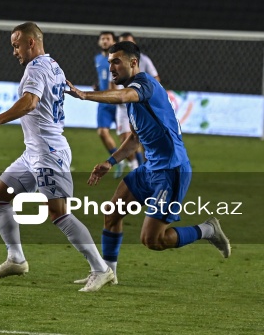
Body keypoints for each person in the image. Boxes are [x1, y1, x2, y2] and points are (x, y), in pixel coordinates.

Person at [65, 41, 231, 285]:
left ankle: (208, 229)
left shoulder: (144, 85)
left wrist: (84, 94)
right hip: (150, 168)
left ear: (133, 63)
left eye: (116, 62)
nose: (111, 67)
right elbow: (134, 139)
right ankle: (107, 273)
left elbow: (122, 95)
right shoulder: (134, 98)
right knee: (112, 213)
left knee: (153, 241)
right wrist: (110, 162)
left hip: (171, 170)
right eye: (109, 62)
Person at [0, 22, 114, 292]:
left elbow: (31, 102)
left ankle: (101, 269)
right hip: (33, 153)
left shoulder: (36, 68)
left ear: (31, 43)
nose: (14, 51)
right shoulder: (53, 65)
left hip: (49, 153)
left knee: (58, 214)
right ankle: (16, 259)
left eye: (16, 45)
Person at [117, 32, 161, 167]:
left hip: (140, 106)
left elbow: (156, 78)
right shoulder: (115, 61)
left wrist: (145, 90)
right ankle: (135, 166)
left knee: (143, 139)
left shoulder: (144, 60)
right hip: (123, 107)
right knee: (125, 138)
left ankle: (146, 167)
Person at [94, 32, 126, 178]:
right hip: (103, 101)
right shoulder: (98, 59)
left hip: (118, 102)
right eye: (103, 39)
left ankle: (136, 164)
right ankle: (118, 162)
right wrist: (97, 87)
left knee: (126, 138)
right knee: (102, 132)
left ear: (114, 42)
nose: (105, 41)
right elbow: (103, 77)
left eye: (108, 39)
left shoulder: (119, 59)